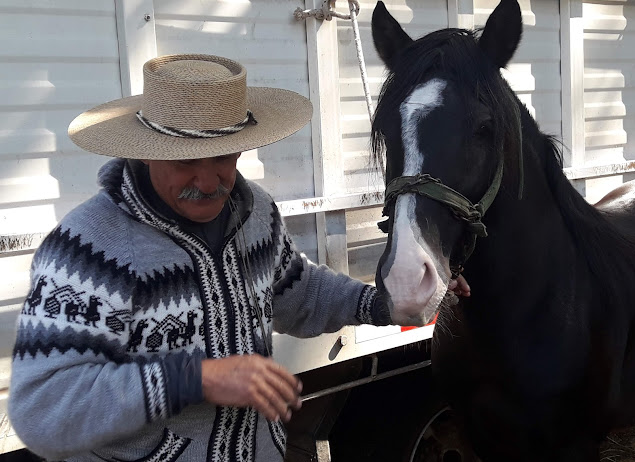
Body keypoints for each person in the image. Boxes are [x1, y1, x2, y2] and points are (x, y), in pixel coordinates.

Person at [9, 54, 470, 462]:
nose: (209, 182)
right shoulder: (87, 250)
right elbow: (44, 410)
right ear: (146, 154)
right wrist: (195, 380)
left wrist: (388, 303)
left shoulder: (256, 213)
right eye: (186, 162)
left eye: (224, 157)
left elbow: (298, 292)